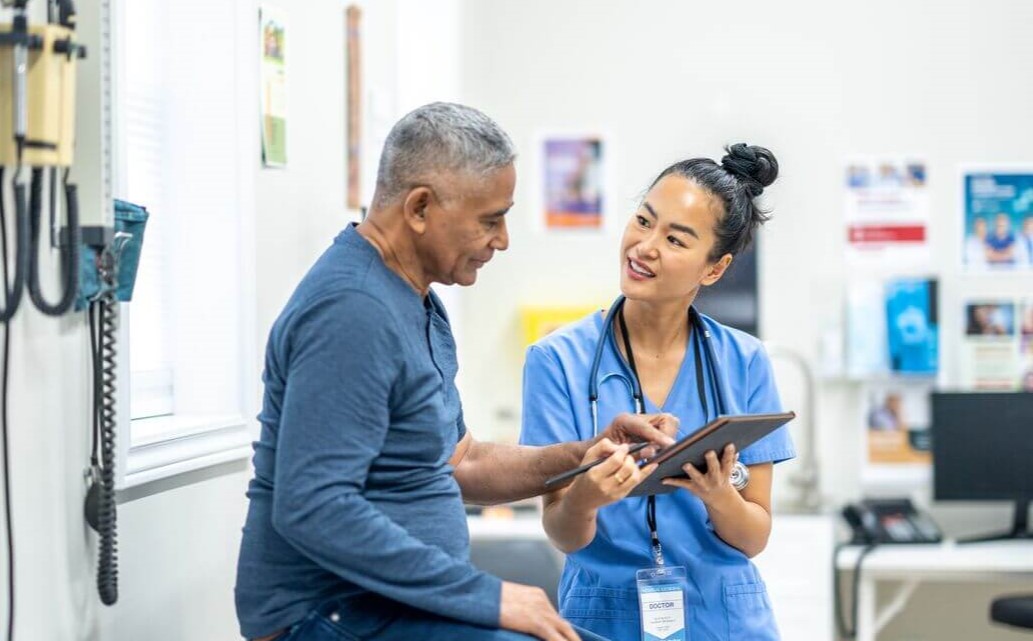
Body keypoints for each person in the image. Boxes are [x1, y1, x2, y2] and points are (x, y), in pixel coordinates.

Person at [234, 103, 678, 641]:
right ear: (420, 207)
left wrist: (583, 455)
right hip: (328, 614)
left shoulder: (413, 298)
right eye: (490, 219)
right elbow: (312, 507)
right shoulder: (352, 312)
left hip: (390, 609)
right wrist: (488, 597)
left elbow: (462, 462)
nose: (503, 239)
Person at [520, 144, 796, 641]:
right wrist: (586, 495)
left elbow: (754, 535)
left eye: (675, 239)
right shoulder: (556, 361)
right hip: (604, 617)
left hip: (725, 620)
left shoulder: (746, 362)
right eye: (644, 221)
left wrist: (718, 496)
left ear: (713, 268)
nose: (645, 246)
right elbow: (561, 530)